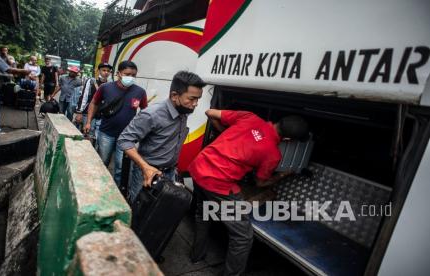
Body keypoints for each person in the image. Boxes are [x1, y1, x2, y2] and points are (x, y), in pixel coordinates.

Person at [188, 110, 309, 276]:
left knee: (203, 213)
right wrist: (282, 175)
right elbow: (260, 182)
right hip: (217, 183)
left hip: (198, 167)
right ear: (288, 140)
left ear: (278, 121)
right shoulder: (273, 154)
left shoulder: (250, 117)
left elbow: (210, 112)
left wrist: (225, 133)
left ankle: (196, 256)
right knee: (243, 237)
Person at [118, 71, 206, 202]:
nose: (195, 104)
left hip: (169, 173)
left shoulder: (183, 111)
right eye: (192, 98)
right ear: (174, 96)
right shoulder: (152, 114)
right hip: (147, 172)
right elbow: (124, 140)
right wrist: (145, 167)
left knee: (159, 211)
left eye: (198, 99)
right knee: (140, 210)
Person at [84, 60, 147, 189]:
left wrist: (141, 130)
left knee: (121, 167)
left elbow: (145, 111)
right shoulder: (106, 88)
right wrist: (89, 122)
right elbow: (94, 103)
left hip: (127, 137)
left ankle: (118, 193)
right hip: (106, 133)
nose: (131, 78)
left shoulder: (140, 92)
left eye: (134, 75)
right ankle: (98, 187)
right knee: (103, 162)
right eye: (127, 74)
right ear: (119, 73)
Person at [74, 62, 112, 139]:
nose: (106, 72)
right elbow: (84, 96)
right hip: (88, 114)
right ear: (98, 71)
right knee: (87, 134)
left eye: (108, 71)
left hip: (101, 115)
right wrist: (79, 112)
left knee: (98, 136)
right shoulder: (91, 81)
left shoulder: (110, 84)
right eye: (103, 70)